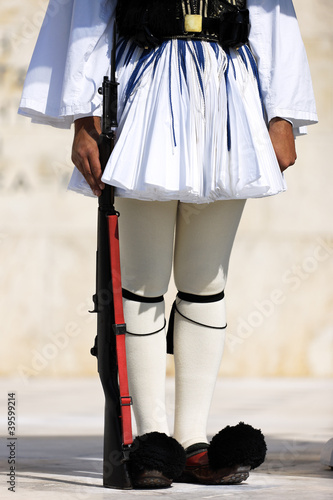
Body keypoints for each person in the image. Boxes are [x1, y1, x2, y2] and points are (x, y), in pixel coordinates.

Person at [19, 0, 317, 489]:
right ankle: (150, 440)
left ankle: (193, 440)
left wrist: (282, 114)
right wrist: (83, 116)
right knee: (143, 280)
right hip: (145, 91)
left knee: (206, 281)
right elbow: (88, 11)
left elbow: (271, 10)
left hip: (229, 94)